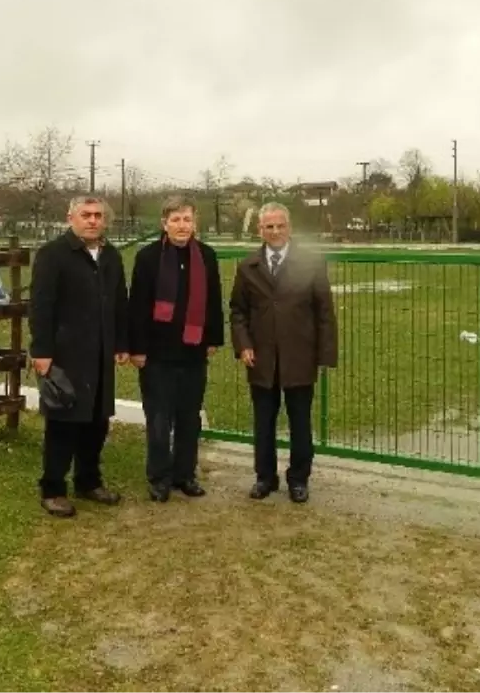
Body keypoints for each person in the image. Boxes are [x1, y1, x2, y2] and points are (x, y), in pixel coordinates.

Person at [28, 195, 130, 518]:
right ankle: (53, 488)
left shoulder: (111, 256)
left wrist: (121, 342)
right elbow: (41, 306)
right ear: (70, 217)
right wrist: (41, 351)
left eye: (98, 215)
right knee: (63, 423)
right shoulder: (53, 255)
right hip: (65, 354)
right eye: (86, 215)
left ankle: (89, 480)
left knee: (97, 421)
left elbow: (120, 303)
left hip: (100, 355)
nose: (93, 220)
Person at [229, 202, 337, 503]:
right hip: (261, 358)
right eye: (269, 227)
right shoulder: (248, 266)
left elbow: (324, 311)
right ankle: (265, 477)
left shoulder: (310, 262)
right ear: (259, 230)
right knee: (263, 422)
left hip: (298, 355)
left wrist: (324, 354)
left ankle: (299, 479)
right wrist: (244, 344)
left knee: (300, 422)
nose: (275, 232)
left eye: (280, 226)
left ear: (289, 227)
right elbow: (238, 311)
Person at [128, 195, 224, 502]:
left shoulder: (206, 256)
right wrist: (137, 349)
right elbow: (138, 306)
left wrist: (213, 339)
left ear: (195, 223)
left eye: (187, 219)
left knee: (188, 417)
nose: (182, 226)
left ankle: (185, 474)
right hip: (157, 354)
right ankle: (159, 477)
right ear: (164, 223)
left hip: (193, 352)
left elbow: (213, 301)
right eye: (176, 220)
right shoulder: (147, 258)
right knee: (159, 418)